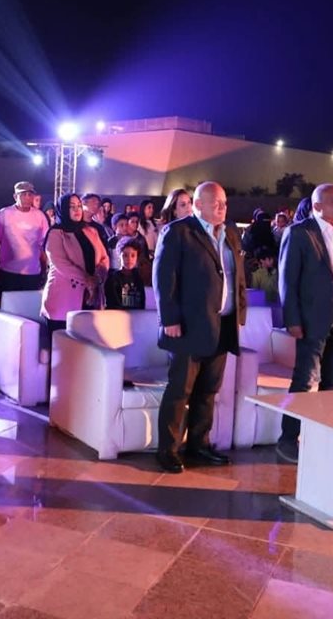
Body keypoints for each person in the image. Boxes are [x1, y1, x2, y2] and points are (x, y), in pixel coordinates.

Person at [153, 181, 246, 473]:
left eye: (224, 203)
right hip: (187, 326)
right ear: (197, 205)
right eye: (216, 203)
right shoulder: (179, 232)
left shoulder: (230, 232)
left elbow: (236, 276)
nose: (222, 208)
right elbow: (164, 278)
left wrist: (240, 313)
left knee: (208, 390)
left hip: (222, 324)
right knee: (180, 390)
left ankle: (199, 445)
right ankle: (168, 449)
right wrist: (169, 319)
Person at [276, 183, 333, 464]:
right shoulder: (300, 233)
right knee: (305, 380)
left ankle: (325, 438)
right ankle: (288, 439)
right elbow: (288, 280)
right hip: (313, 317)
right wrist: (292, 319)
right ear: (316, 206)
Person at [41, 193, 109, 334]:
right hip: (63, 297)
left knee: (86, 340)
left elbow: (104, 257)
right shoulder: (55, 233)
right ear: (64, 209)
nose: (77, 210)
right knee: (61, 342)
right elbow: (61, 263)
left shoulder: (91, 230)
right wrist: (87, 279)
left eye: (79, 206)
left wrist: (97, 277)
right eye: (72, 207)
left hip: (90, 295)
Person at [0, 181, 50, 292]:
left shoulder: (40, 216)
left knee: (29, 303)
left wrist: (44, 269)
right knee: (8, 302)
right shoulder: (3, 215)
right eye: (23, 194)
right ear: (15, 196)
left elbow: (43, 245)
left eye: (30, 194)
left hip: (32, 272)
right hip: (8, 272)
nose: (27, 197)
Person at [104, 240, 146, 310]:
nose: (129, 259)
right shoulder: (113, 279)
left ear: (137, 258)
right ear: (119, 256)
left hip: (137, 315)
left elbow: (142, 302)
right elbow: (113, 304)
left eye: (133, 255)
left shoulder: (138, 278)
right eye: (125, 255)